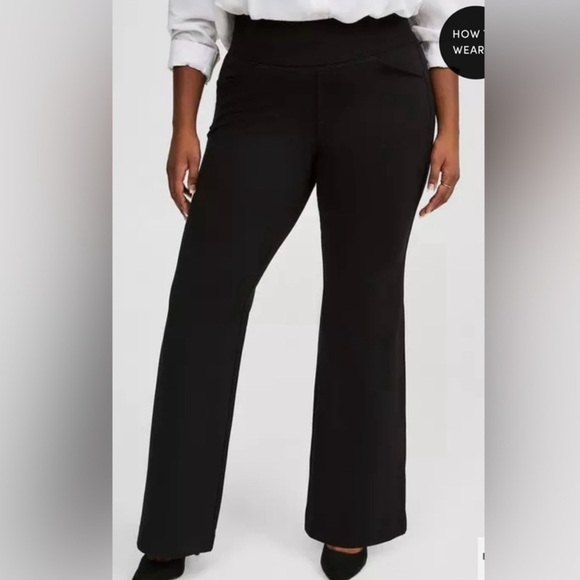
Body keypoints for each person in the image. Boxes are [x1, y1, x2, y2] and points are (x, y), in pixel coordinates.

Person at [132, 1, 460, 579]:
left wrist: (451, 127)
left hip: (384, 81)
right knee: (203, 299)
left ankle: (351, 516)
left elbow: (443, 12)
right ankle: (170, 526)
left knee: (366, 302)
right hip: (260, 79)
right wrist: (184, 124)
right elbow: (194, 15)